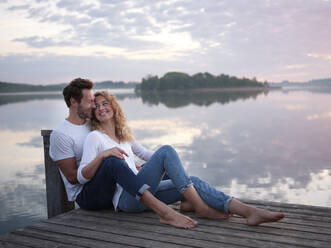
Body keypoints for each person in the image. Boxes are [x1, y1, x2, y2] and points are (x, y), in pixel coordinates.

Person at [78, 90, 285, 226]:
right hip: (126, 200)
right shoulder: (95, 137)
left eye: (105, 103)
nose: (101, 108)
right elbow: (82, 176)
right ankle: (200, 207)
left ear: (114, 107)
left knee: (191, 179)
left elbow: (150, 156)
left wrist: (171, 169)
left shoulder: (125, 137)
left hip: (145, 193)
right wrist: (104, 154)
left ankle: (248, 211)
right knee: (166, 150)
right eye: (96, 106)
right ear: (94, 113)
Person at [49, 78, 197, 229]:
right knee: (112, 161)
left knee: (162, 170)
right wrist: (108, 160)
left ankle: (190, 200)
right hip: (88, 195)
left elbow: (130, 148)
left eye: (95, 101)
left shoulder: (91, 124)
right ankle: (164, 211)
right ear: (74, 102)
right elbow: (74, 178)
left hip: (113, 185)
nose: (94, 106)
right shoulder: (61, 135)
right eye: (90, 101)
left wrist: (132, 168)